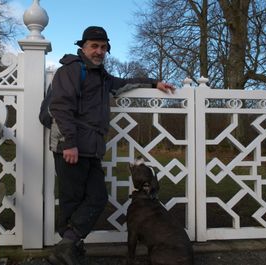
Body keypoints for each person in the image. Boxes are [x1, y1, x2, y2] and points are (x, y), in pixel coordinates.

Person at [46, 26, 175, 265]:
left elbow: (127, 83)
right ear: (83, 47)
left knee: (96, 197)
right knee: (71, 200)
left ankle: (66, 247)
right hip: (70, 146)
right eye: (94, 46)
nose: (99, 51)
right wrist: (70, 144)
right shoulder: (71, 70)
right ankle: (68, 250)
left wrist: (154, 82)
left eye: (103, 47)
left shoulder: (103, 77)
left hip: (92, 149)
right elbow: (61, 107)